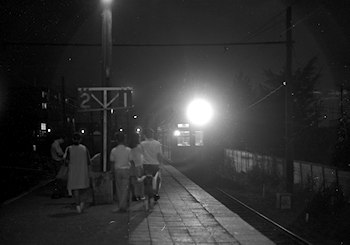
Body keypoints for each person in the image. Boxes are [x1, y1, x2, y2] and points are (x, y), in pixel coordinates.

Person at [64, 132, 91, 213]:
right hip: (83, 171)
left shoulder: (69, 149)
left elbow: (66, 161)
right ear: (80, 139)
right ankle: (82, 204)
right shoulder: (84, 148)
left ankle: (78, 206)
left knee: (75, 190)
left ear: (72, 139)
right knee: (84, 189)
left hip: (73, 172)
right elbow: (89, 161)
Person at [110, 132, 131, 213]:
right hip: (126, 170)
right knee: (125, 188)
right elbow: (131, 160)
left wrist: (112, 172)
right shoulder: (128, 150)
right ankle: (124, 206)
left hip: (117, 170)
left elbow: (112, 162)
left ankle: (121, 206)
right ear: (124, 139)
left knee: (118, 188)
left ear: (116, 140)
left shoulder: (114, 150)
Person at [140, 128, 164, 201]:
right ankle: (155, 193)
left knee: (146, 179)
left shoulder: (142, 144)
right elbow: (159, 155)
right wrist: (161, 164)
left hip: (145, 164)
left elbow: (140, 155)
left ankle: (145, 194)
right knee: (157, 179)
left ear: (145, 135)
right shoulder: (157, 143)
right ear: (152, 135)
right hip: (155, 164)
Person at [129, 132, 144, 201]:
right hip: (138, 165)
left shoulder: (130, 147)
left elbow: (130, 159)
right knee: (139, 182)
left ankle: (134, 195)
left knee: (133, 182)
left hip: (132, 166)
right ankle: (139, 195)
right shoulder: (140, 146)